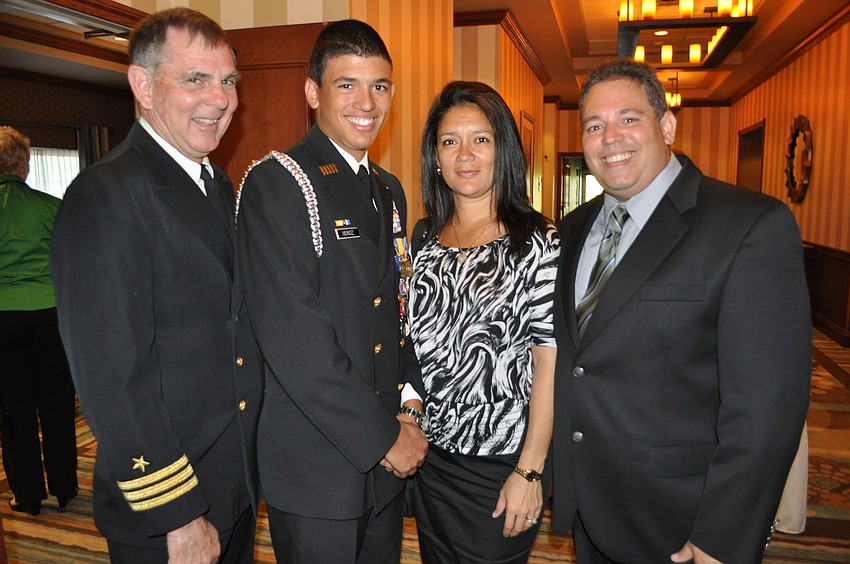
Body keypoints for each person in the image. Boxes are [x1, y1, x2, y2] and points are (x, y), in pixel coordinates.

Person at [550, 59, 811, 563]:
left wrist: (724, 533)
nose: (610, 138)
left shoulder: (749, 225)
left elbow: (767, 407)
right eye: (594, 125)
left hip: (685, 520)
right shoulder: (571, 228)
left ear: (666, 125)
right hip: (592, 504)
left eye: (629, 119)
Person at [50, 8, 263, 563]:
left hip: (232, 483)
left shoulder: (216, 183)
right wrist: (179, 513)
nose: (220, 99)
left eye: (228, 81)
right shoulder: (106, 195)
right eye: (195, 79)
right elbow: (114, 381)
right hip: (170, 509)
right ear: (142, 86)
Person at [236, 19, 428, 563]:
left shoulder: (388, 189)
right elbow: (296, 342)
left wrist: (409, 403)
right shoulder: (277, 182)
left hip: (384, 457)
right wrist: (386, 437)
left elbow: (397, 310)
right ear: (313, 91)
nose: (367, 102)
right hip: (318, 465)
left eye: (380, 86)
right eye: (347, 84)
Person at [407, 81, 559, 563]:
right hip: (430, 461)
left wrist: (530, 472)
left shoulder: (537, 241)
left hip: (501, 465)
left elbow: (549, 362)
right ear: (435, 155)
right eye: (450, 141)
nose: (465, 154)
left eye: (481, 139)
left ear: (504, 150)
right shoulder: (424, 237)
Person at [0, 126, 78, 516]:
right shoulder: (51, 206)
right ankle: (65, 487)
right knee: (57, 401)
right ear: (24, 166)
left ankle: (28, 495)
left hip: (3, 320)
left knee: (15, 409)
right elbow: (72, 264)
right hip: (50, 316)